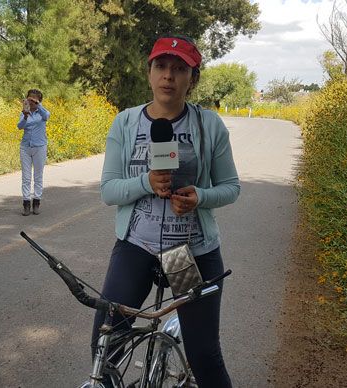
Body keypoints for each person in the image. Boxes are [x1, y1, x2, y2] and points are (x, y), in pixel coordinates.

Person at [92, 35, 240, 387]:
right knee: (105, 344)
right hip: (138, 248)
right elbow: (109, 190)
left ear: (193, 78)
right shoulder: (126, 123)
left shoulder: (209, 125)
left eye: (179, 69)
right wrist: (146, 182)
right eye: (161, 66)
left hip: (187, 255)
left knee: (204, 356)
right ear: (149, 73)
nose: (168, 76)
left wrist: (200, 197)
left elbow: (231, 187)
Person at [17, 89, 50, 216]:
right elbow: (20, 126)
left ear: (38, 101)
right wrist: (25, 116)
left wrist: (38, 105)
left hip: (39, 147)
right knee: (26, 177)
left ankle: (36, 202)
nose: (30, 102)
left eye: (33, 99)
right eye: (29, 99)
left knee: (38, 176)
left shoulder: (42, 113)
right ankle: (26, 203)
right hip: (25, 147)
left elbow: (47, 116)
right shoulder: (25, 112)